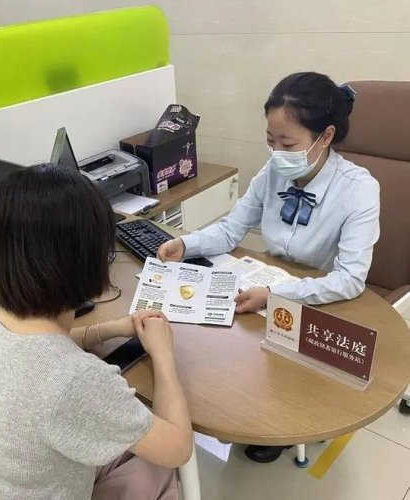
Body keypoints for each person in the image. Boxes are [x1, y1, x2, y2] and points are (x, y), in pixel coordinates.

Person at [158, 72, 380, 463]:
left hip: (323, 302)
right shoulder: (273, 171)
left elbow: (349, 280)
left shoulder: (359, 189)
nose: (277, 153)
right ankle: (254, 412)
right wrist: (186, 244)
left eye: (287, 143)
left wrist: (274, 294)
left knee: (276, 372)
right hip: (266, 290)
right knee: (219, 348)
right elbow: (231, 230)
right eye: (270, 141)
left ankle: (292, 420)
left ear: (325, 136)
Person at [0, 164, 192, 499]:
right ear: (87, 261)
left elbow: (44, 350)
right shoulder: (76, 381)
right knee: (160, 469)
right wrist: (163, 354)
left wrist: (112, 329)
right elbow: (179, 448)